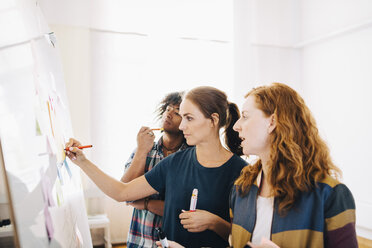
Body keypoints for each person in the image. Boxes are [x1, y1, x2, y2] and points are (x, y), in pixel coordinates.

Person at [65, 86, 247, 248]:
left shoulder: (241, 172)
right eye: (182, 117)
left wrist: (213, 222)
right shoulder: (175, 162)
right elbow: (121, 192)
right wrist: (82, 161)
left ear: (213, 120)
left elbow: (245, 239)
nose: (182, 126)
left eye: (189, 118)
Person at [230, 83, 358, 248]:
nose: (236, 126)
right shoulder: (241, 189)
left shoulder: (330, 195)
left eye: (245, 116)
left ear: (272, 122)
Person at [122, 91, 189, 248]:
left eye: (177, 112)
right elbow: (125, 193)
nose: (169, 114)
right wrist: (141, 151)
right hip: (138, 241)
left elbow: (181, 210)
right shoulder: (145, 149)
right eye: (168, 109)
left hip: (173, 243)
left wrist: (144, 203)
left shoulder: (190, 157)